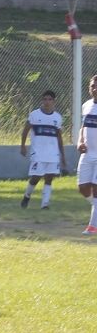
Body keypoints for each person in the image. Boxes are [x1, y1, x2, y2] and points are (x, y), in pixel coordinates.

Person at [20, 90, 66, 209]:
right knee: (36, 177)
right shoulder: (35, 115)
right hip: (38, 153)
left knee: (49, 178)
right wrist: (23, 145)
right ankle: (27, 196)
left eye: (49, 99)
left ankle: (45, 204)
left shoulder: (57, 117)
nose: (47, 102)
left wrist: (62, 155)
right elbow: (25, 130)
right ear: (42, 100)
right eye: (45, 99)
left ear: (53, 101)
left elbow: (59, 137)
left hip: (53, 154)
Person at [77, 75, 97, 235]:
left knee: (96, 188)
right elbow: (83, 127)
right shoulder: (86, 105)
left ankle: (92, 226)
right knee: (83, 188)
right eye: (93, 86)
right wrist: (79, 141)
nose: (95, 89)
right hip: (88, 153)